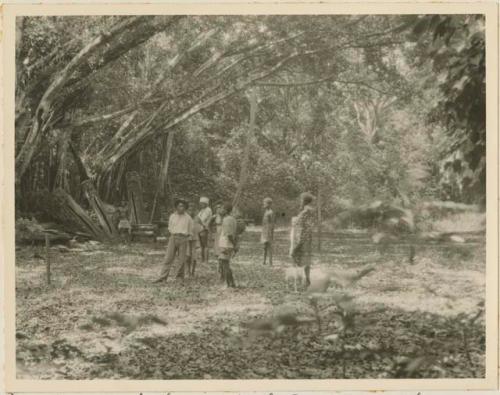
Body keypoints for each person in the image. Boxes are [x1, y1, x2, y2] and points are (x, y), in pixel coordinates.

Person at [153, 198, 193, 284]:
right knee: (168, 257)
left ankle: (179, 278)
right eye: (179, 206)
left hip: (183, 238)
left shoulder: (188, 218)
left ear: (185, 207)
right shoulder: (172, 216)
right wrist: (173, 235)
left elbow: (190, 230)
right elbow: (170, 227)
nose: (180, 208)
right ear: (176, 207)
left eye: (182, 206)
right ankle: (163, 277)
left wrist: (185, 237)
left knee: (181, 259)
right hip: (173, 237)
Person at [291, 192, 315, 287]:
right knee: (307, 259)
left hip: (301, 238)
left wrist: (298, 242)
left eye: (301, 200)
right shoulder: (311, 211)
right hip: (308, 238)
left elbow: (299, 224)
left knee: (296, 256)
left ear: (304, 201)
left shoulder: (305, 212)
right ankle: (307, 279)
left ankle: (299, 280)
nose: (300, 202)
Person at [218, 202, 238, 288]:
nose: (220, 210)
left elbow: (229, 234)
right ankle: (231, 283)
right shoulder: (232, 219)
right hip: (228, 244)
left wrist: (234, 244)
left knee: (225, 264)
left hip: (226, 244)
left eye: (222, 208)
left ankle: (228, 283)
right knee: (225, 263)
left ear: (226, 210)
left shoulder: (226, 220)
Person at [210, 202, 224, 274]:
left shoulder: (224, 216)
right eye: (217, 208)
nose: (218, 210)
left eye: (220, 208)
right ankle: (219, 265)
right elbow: (209, 224)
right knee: (217, 250)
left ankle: (221, 266)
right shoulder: (214, 216)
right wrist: (212, 231)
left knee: (222, 249)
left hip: (223, 233)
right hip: (217, 233)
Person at [197, 196, 213, 264]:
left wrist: (198, 221)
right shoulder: (201, 210)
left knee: (205, 245)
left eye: (202, 203)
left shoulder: (208, 210)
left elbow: (202, 219)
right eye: (200, 203)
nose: (201, 205)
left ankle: (206, 260)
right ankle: (202, 259)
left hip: (205, 228)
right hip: (200, 228)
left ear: (205, 203)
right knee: (202, 245)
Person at [261, 197, 275, 265]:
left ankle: (270, 262)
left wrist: (271, 233)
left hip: (268, 231)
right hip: (264, 230)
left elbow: (271, 223)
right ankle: (264, 261)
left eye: (265, 203)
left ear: (269, 204)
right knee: (264, 246)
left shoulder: (270, 212)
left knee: (269, 246)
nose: (264, 204)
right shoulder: (266, 212)